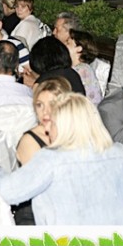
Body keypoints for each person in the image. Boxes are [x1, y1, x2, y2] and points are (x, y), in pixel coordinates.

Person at [0, 92, 123, 225]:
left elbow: (9, 191)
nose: (46, 128)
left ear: (65, 125)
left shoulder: (52, 160)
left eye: (51, 122)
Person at [13, 77, 72, 224]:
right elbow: (40, 188)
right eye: (39, 105)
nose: (45, 112)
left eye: (52, 104)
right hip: (34, 215)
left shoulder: (71, 133)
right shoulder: (29, 141)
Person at [65, 29, 103, 105]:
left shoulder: (81, 70)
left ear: (79, 48)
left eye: (68, 43)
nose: (64, 44)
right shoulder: (81, 68)